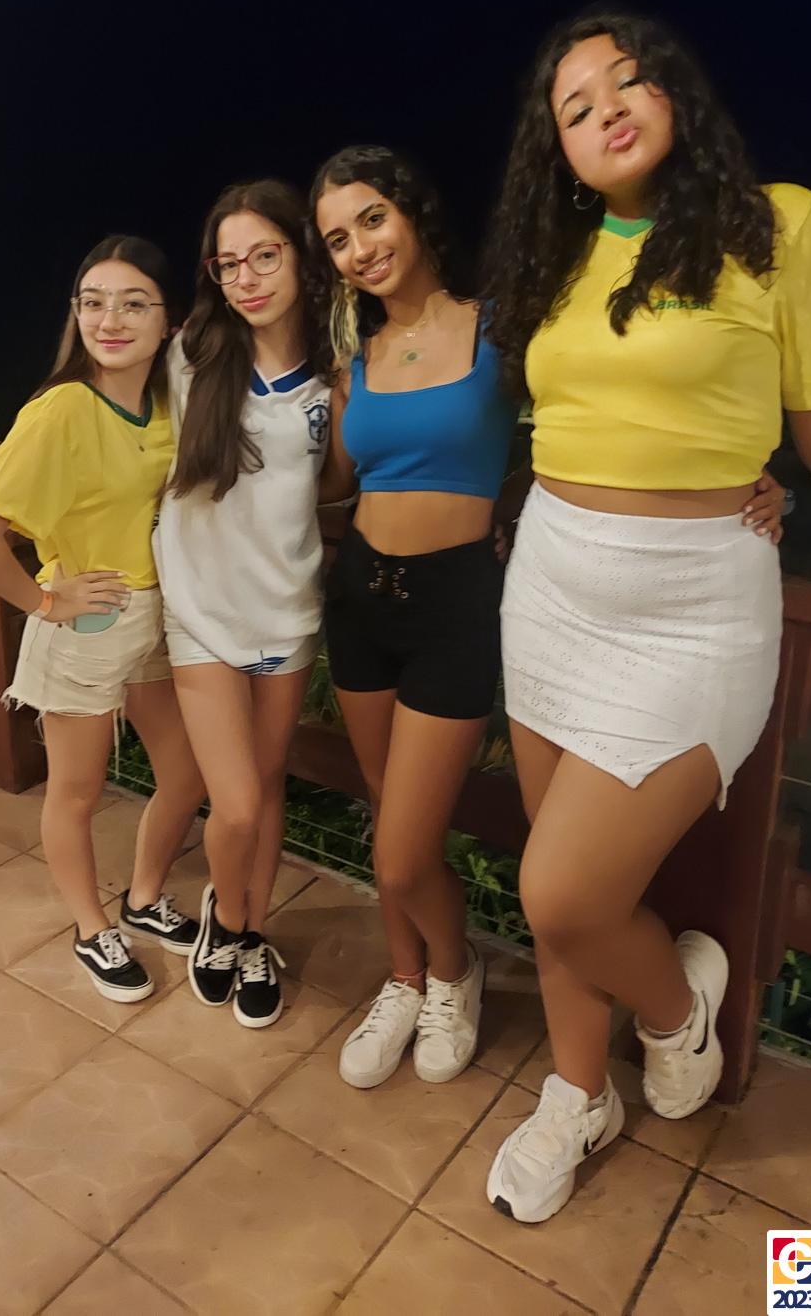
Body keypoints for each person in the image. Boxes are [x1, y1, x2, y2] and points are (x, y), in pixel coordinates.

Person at [478, 8, 811, 1223]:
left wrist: (781, 481)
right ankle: (576, 1092)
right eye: (574, 105)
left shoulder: (777, 224)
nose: (605, 108)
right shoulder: (557, 258)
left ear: (676, 95)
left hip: (696, 607)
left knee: (564, 892)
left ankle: (675, 1010)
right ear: (556, 149)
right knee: (553, 876)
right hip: (552, 586)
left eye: (628, 80)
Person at [310, 145, 520, 1088]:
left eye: (371, 220)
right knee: (380, 807)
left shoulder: (498, 330)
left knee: (402, 852)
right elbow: (332, 484)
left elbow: (588, 428)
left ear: (412, 213)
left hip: (453, 607)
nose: (358, 249)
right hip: (360, 597)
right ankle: (406, 977)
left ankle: (455, 969)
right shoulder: (353, 361)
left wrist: (759, 482)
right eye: (336, 240)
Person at [0, 236, 205, 1003]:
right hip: (87, 622)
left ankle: (144, 897)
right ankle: (92, 928)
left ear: (168, 320)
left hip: (156, 616)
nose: (109, 320)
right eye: (93, 303)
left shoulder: (167, 402)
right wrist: (45, 601)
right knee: (77, 791)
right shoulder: (61, 409)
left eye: (133, 304)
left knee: (185, 774)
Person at [153, 180, 333, 1027]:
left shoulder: (333, 377)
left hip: (287, 612)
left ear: (301, 256)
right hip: (200, 611)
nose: (246, 278)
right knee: (237, 804)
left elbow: (344, 482)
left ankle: (252, 933)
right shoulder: (191, 356)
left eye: (265, 255)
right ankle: (225, 920)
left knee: (266, 785)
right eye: (229, 264)